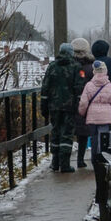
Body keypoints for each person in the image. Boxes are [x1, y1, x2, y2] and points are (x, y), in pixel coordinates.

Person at [78, 59, 111, 203]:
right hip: (106, 118)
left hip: (93, 118)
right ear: (106, 71)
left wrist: (82, 112)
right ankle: (102, 159)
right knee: (104, 141)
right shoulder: (110, 86)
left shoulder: (89, 85)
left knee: (94, 138)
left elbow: (83, 102)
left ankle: (96, 158)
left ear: (95, 72)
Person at [39, 43, 83, 172]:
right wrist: (79, 106)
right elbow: (79, 88)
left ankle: (55, 162)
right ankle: (65, 164)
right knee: (67, 134)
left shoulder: (52, 67)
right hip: (70, 107)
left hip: (54, 106)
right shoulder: (76, 67)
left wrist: (44, 107)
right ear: (71, 53)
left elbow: (45, 88)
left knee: (56, 132)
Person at [71, 37, 94, 168]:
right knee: (84, 133)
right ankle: (80, 159)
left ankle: (60, 161)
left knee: (66, 132)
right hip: (87, 104)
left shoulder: (69, 66)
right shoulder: (91, 68)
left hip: (69, 103)